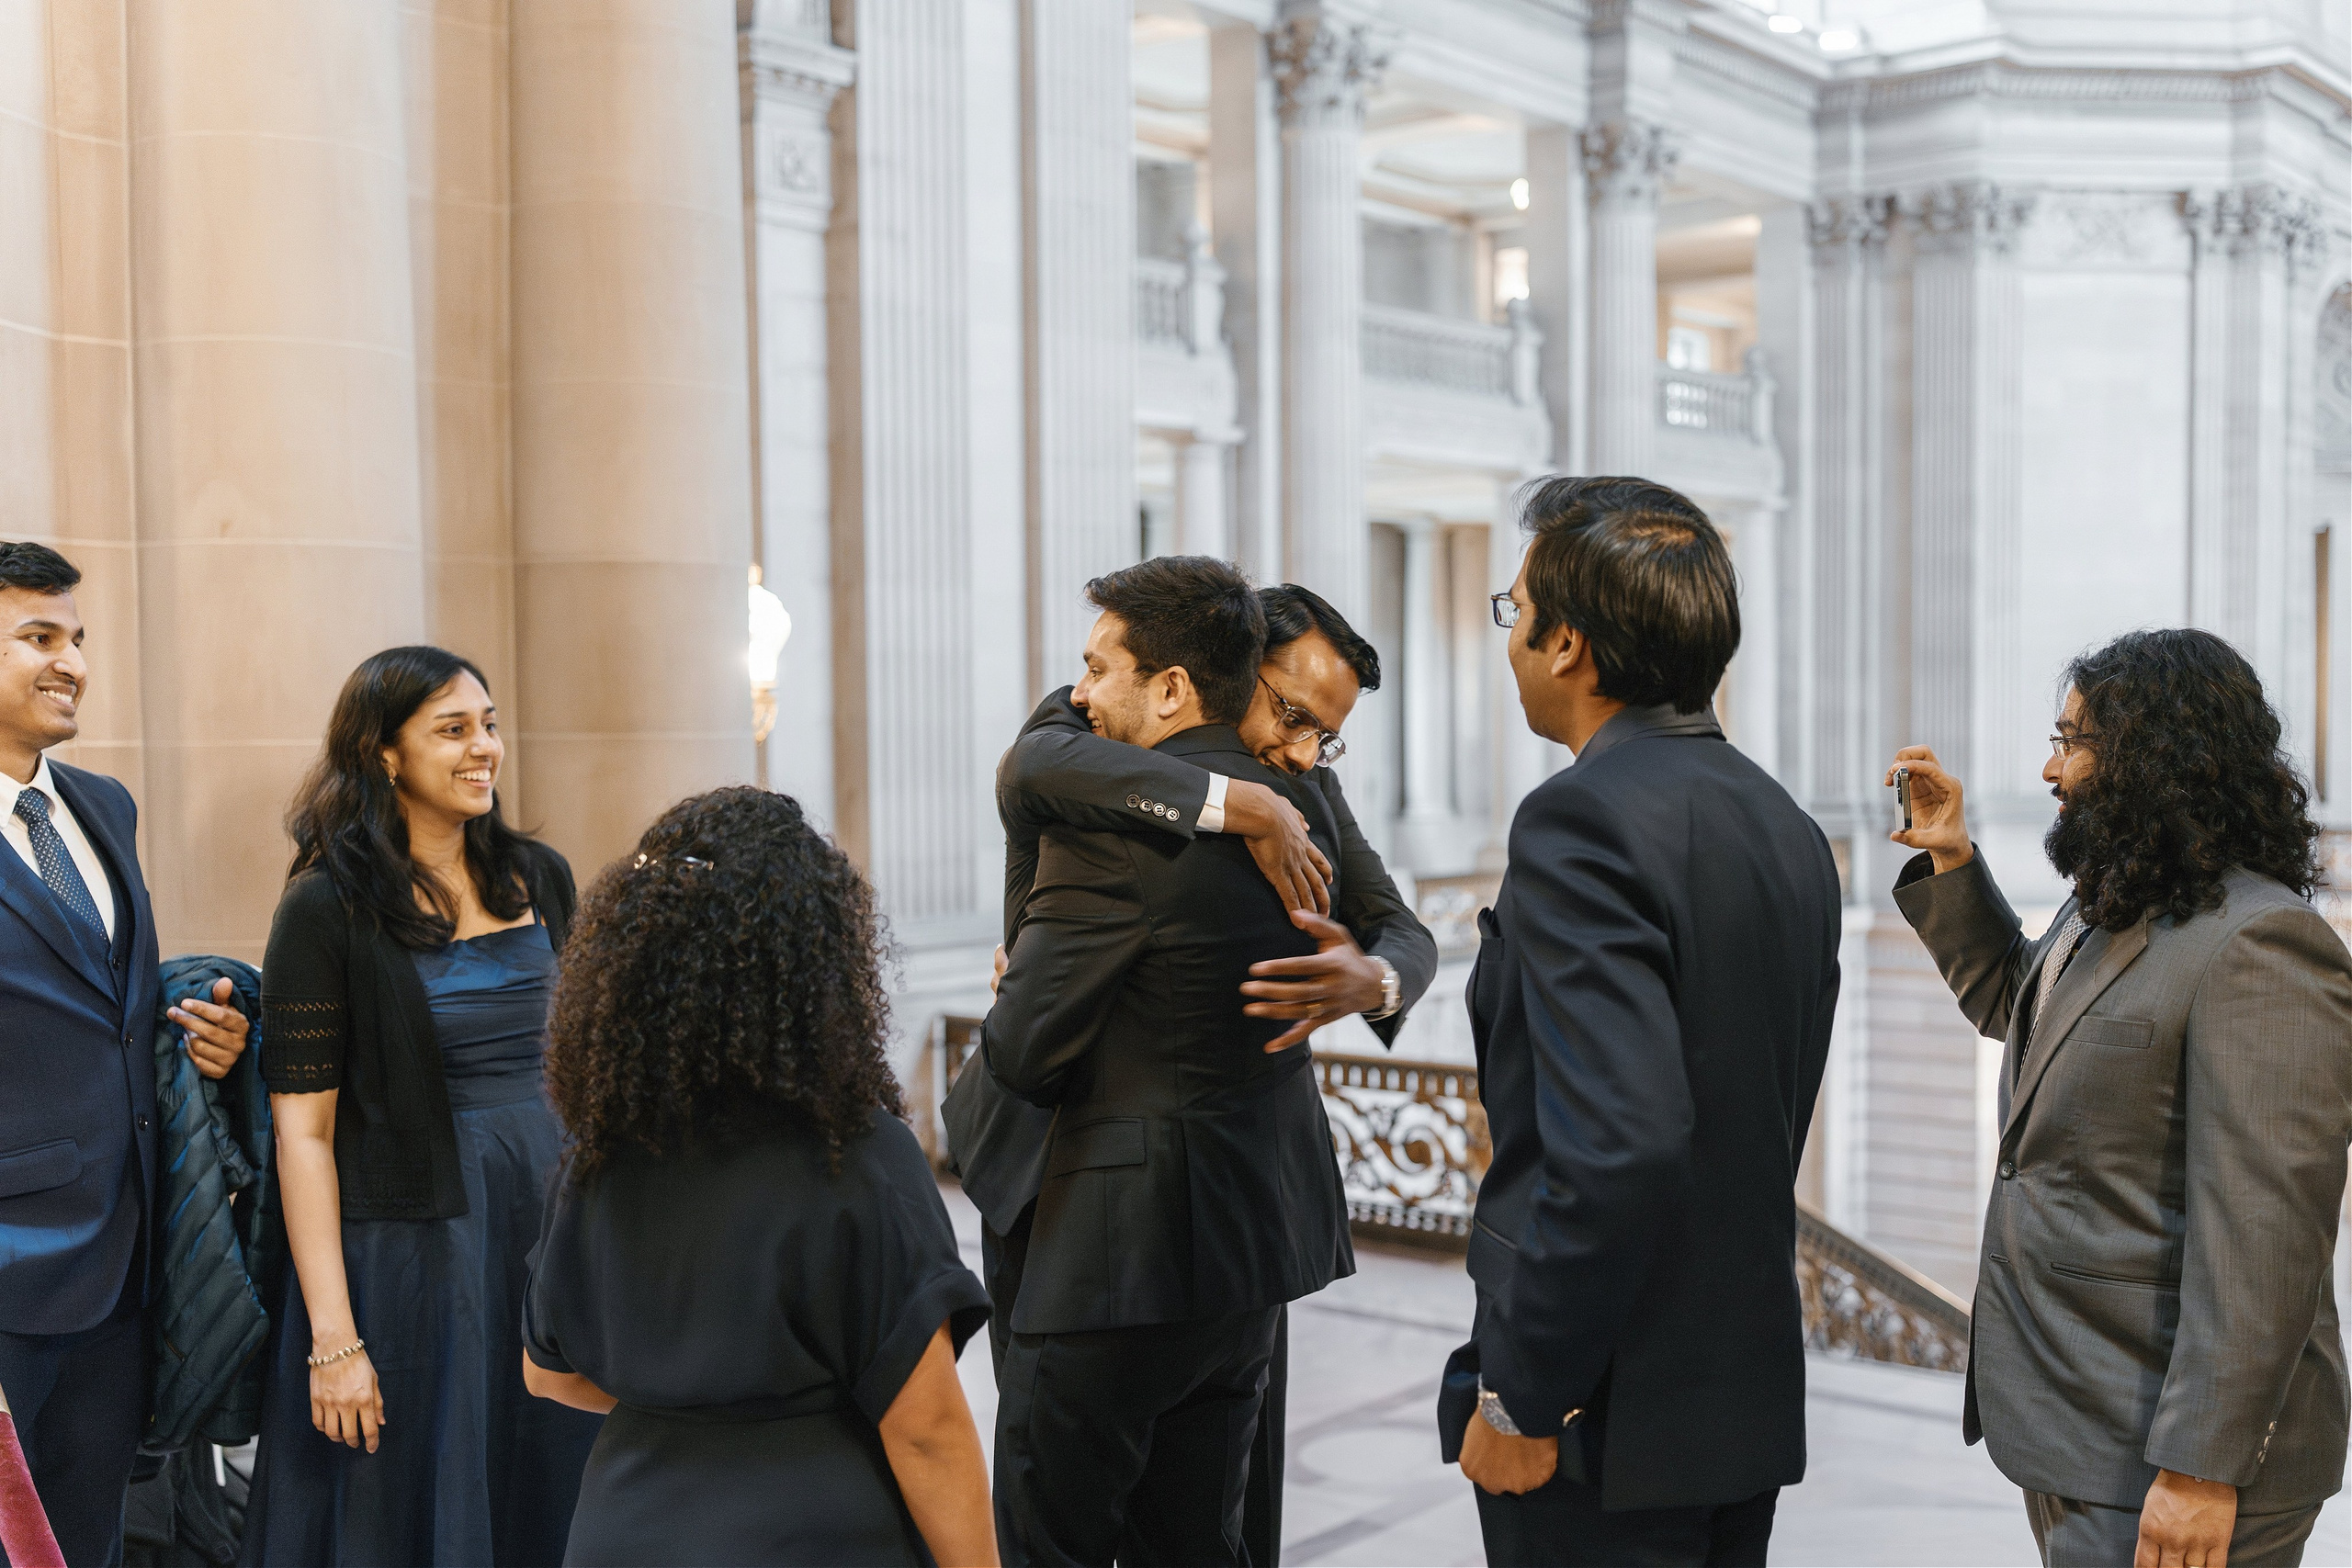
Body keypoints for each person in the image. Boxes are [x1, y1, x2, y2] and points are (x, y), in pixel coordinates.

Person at [957, 581, 1441, 1561]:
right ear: (1219, 677)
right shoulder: (1088, 729)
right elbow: (1031, 761)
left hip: (1158, 1219)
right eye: (1294, 716)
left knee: (1139, 1517)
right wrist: (1232, 800)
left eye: (1325, 738)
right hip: (1136, 1198)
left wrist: (1375, 978)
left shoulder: (1300, 791)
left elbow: (1402, 926)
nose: (1302, 754)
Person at [1887, 627, 2352, 1568]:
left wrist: (2200, 1469)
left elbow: (2264, 1236)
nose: (2051, 769)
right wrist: (1950, 860)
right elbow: (2018, 1008)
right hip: (2084, 1425)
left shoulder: (2261, 944)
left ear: (2153, 756)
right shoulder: (2109, 902)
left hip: (2173, 1454)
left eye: (2072, 742)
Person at [1443, 478, 1841, 1566]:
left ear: (1567, 643)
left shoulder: (1579, 818)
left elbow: (1619, 1140)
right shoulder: (1786, 825)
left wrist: (1525, 1399)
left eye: (1513, 613)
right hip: (1733, 1397)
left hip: (1599, 1415)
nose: (1511, 640)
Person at [522, 787, 995, 1567]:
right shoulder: (859, 1157)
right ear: (816, 958)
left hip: (624, 1528)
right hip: (810, 1530)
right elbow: (928, 1429)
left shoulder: (599, 1153)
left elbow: (548, 1375)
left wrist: (685, 1397)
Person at [240, 646, 601, 1565]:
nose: (483, 748)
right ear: (385, 754)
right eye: (452, 730)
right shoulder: (326, 907)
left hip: (547, 1222)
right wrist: (332, 1340)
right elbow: (303, 1135)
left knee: (554, 1474)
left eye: (487, 725)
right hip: (411, 1248)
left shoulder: (542, 877)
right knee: (412, 1490)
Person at [0, 540, 251, 1566]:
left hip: (127, 1267)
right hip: (10, 1269)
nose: (73, 662)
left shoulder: (104, 807)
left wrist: (209, 1042)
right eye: (39, 637)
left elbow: (108, 1007)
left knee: (90, 1542)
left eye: (79, 638)